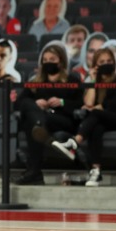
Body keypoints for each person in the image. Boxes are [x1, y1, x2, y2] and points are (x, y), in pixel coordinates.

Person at [52, 46, 116, 187]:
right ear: (96, 66)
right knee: (97, 127)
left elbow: (115, 104)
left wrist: (98, 108)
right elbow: (88, 103)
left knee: (96, 114)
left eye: (109, 61)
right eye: (102, 62)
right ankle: (96, 171)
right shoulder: (96, 83)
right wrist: (92, 80)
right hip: (104, 121)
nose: (106, 64)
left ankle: (74, 142)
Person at [14, 42, 83, 185]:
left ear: (61, 61)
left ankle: (34, 172)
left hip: (63, 119)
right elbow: (19, 103)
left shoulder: (72, 80)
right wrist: (36, 104)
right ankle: (39, 126)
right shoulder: (36, 82)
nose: (48, 63)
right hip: (42, 118)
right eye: (45, 60)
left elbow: (81, 104)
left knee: (31, 122)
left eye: (52, 60)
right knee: (28, 105)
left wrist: (62, 102)